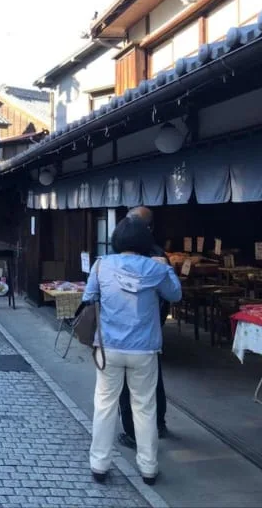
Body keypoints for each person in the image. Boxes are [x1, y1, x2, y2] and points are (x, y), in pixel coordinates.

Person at [83, 217, 182, 486]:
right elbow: (174, 295)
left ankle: (99, 464)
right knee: (144, 407)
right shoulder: (155, 268)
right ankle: (148, 467)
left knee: (104, 404)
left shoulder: (102, 265)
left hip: (109, 347)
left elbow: (88, 297)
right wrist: (167, 269)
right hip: (144, 349)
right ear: (145, 242)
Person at [118, 206, 170, 449]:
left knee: (130, 387)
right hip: (146, 334)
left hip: (130, 334)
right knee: (149, 382)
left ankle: (136, 432)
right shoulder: (156, 256)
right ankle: (155, 425)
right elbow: (171, 294)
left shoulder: (151, 256)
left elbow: (170, 294)